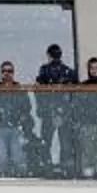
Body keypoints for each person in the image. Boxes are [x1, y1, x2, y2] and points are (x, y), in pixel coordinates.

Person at [33, 43, 77, 172]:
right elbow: (74, 93)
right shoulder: (68, 71)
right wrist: (67, 109)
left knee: (47, 142)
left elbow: (39, 91)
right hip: (63, 112)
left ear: (48, 55)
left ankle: (47, 167)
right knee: (65, 142)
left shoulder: (45, 70)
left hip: (50, 111)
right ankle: (66, 168)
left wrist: (43, 108)